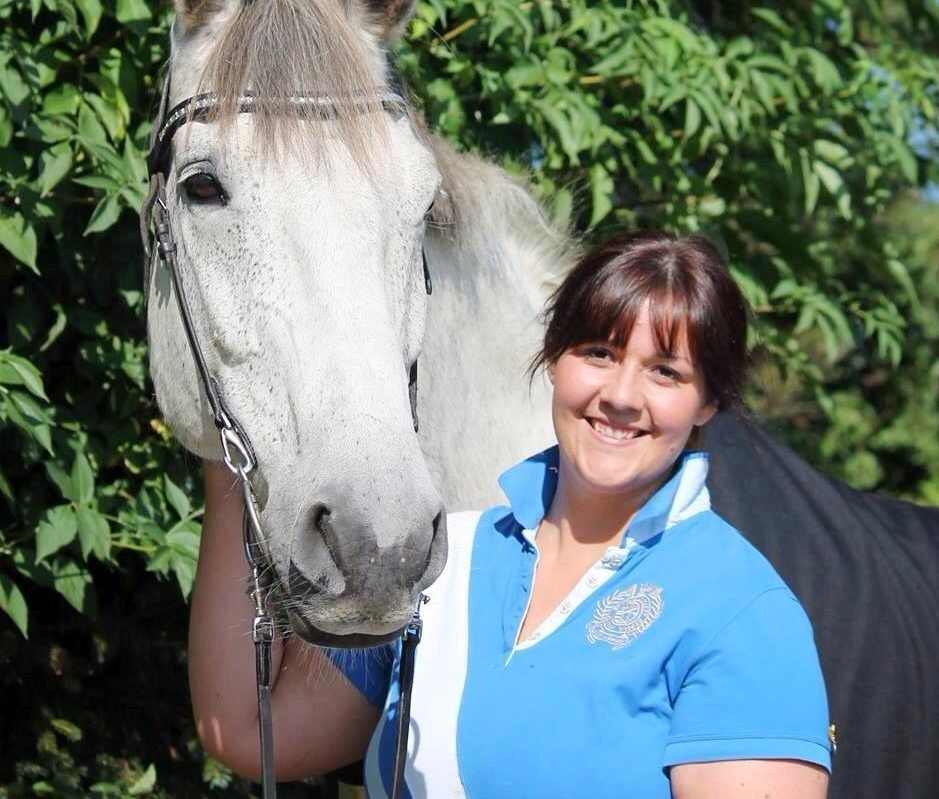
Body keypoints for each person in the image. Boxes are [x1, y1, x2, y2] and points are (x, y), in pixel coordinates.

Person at [189, 230, 832, 798]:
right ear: (554, 356)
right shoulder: (445, 563)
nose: (621, 396)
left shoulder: (742, 614)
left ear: (708, 402)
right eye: (599, 354)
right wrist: (231, 452)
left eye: (665, 372)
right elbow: (252, 734)